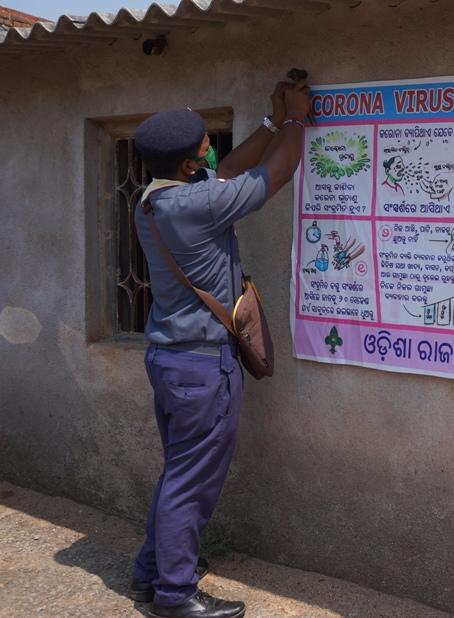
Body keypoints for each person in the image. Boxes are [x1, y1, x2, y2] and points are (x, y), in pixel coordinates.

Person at [128, 78, 310, 618]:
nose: (212, 149)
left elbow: (227, 170)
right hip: (204, 369)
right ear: (188, 166)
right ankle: (175, 595)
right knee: (191, 483)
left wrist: (272, 122)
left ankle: (151, 573)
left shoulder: (152, 199)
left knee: (179, 474)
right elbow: (275, 174)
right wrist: (297, 119)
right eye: (204, 145)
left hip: (170, 362)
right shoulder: (199, 204)